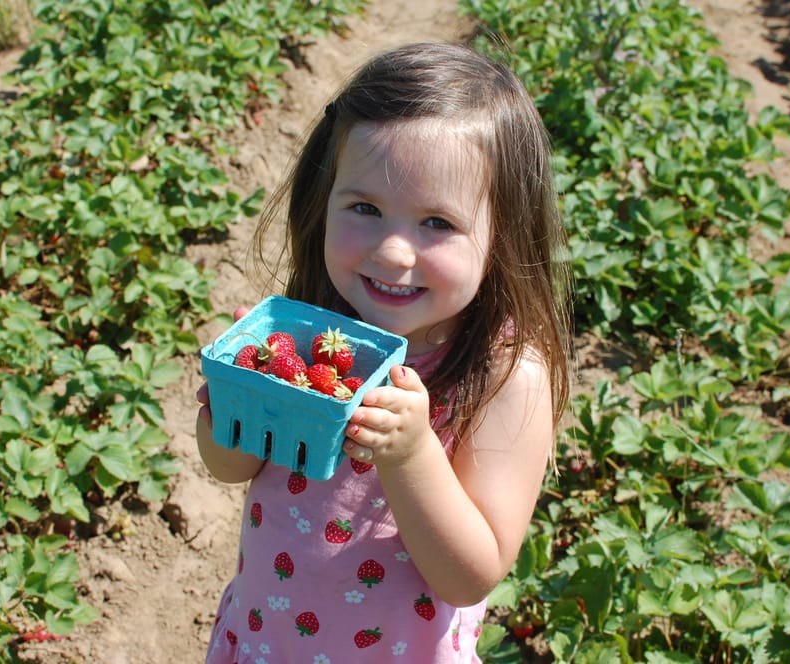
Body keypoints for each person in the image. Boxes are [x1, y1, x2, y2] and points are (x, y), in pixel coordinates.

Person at [195, 41, 572, 663]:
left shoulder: (505, 375)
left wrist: (413, 453)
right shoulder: (319, 330)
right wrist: (237, 404)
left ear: (501, 233)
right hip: (270, 641)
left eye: (437, 224)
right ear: (324, 200)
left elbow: (470, 574)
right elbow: (230, 468)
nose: (394, 253)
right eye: (365, 208)